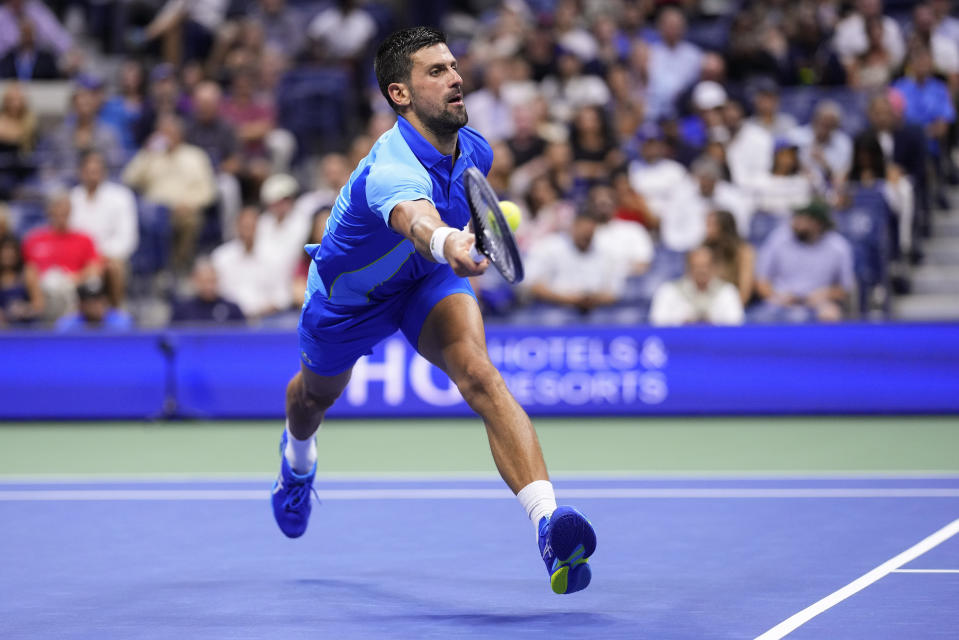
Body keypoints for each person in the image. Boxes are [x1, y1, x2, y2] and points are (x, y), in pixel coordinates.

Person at [271, 27, 596, 595]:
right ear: (400, 94)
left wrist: (456, 249)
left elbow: (457, 211)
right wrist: (450, 244)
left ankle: (548, 524)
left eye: (454, 66)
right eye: (437, 72)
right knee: (310, 400)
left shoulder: (476, 149)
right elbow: (416, 218)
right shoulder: (390, 167)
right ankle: (297, 463)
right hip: (349, 302)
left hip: (425, 281)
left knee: (479, 374)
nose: (457, 78)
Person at [754, 200, 855, 323]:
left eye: (803, 219)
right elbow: (761, 282)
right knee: (759, 318)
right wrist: (778, 297)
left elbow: (845, 289)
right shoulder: (778, 238)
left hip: (820, 305)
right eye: (796, 217)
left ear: (818, 223)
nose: (796, 222)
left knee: (831, 316)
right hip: (779, 304)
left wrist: (825, 294)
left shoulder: (839, 247)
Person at [69, 151, 139, 307]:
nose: (92, 176)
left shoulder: (121, 196)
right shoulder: (72, 197)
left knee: (115, 268)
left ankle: (117, 312)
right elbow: (70, 234)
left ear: (104, 172)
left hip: (109, 258)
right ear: (80, 172)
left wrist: (99, 258)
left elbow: (127, 238)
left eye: (96, 171)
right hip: (80, 259)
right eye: (88, 171)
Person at [649, 246, 744, 326]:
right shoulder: (669, 291)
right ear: (688, 268)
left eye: (705, 266)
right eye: (697, 266)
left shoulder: (727, 291)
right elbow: (657, 323)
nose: (702, 271)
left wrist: (711, 323)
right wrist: (683, 322)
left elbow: (736, 324)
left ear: (713, 267)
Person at [169, 257, 245, 324]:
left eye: (212, 281)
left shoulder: (232, 309)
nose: (209, 286)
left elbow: (245, 337)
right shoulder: (182, 311)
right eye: (204, 281)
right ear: (195, 281)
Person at [55, 276, 133, 331]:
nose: (95, 306)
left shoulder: (121, 323)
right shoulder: (68, 326)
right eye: (90, 302)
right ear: (81, 305)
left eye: (99, 300)